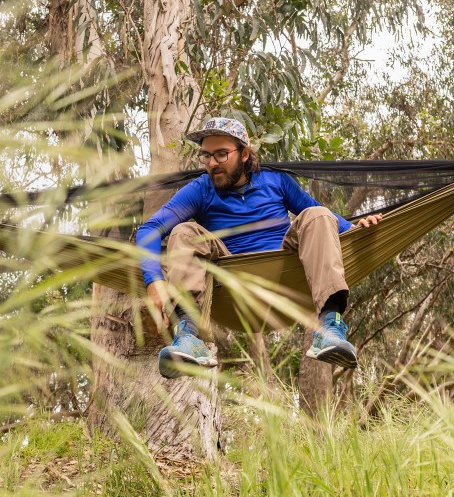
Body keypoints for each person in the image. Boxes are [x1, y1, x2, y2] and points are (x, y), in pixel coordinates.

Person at [136, 117, 382, 378]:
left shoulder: (275, 181)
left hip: (286, 280)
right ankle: (188, 338)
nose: (212, 164)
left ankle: (331, 328)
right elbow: (150, 229)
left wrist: (354, 230)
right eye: (206, 156)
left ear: (244, 153)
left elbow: (322, 220)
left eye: (221, 154)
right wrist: (154, 281)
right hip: (232, 288)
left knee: (317, 214)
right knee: (183, 231)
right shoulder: (201, 189)